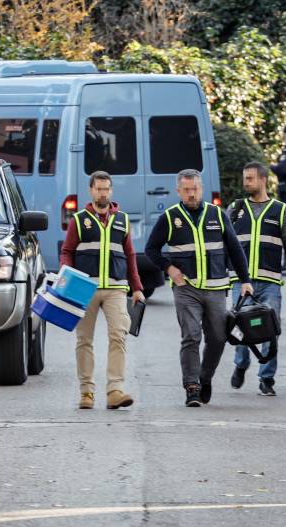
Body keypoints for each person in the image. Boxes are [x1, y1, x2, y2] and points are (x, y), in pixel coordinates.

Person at [145, 169, 254, 408]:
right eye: (186, 190)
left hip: (216, 287)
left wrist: (245, 280)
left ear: (201, 188)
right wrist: (169, 268)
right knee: (191, 336)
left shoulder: (218, 214)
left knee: (217, 338)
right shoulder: (169, 217)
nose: (191, 194)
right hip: (186, 288)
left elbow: (235, 249)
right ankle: (192, 386)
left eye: (195, 189)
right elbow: (151, 249)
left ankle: (205, 378)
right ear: (178, 191)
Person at [60, 171, 145, 410]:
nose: (103, 193)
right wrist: (67, 275)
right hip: (84, 288)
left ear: (111, 191)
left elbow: (129, 255)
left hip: (116, 288)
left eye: (106, 188)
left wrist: (137, 288)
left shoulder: (123, 220)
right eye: (98, 189)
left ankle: (115, 390)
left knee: (119, 336)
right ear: (91, 191)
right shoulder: (79, 219)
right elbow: (67, 251)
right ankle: (86, 392)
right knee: (84, 340)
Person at [227, 162, 286, 397]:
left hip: (270, 283)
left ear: (263, 180)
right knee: (239, 326)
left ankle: (266, 378)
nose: (245, 182)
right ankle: (241, 363)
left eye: (249, 178)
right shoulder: (235, 209)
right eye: (244, 178)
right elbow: (223, 243)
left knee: (270, 330)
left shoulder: (280, 210)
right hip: (241, 281)